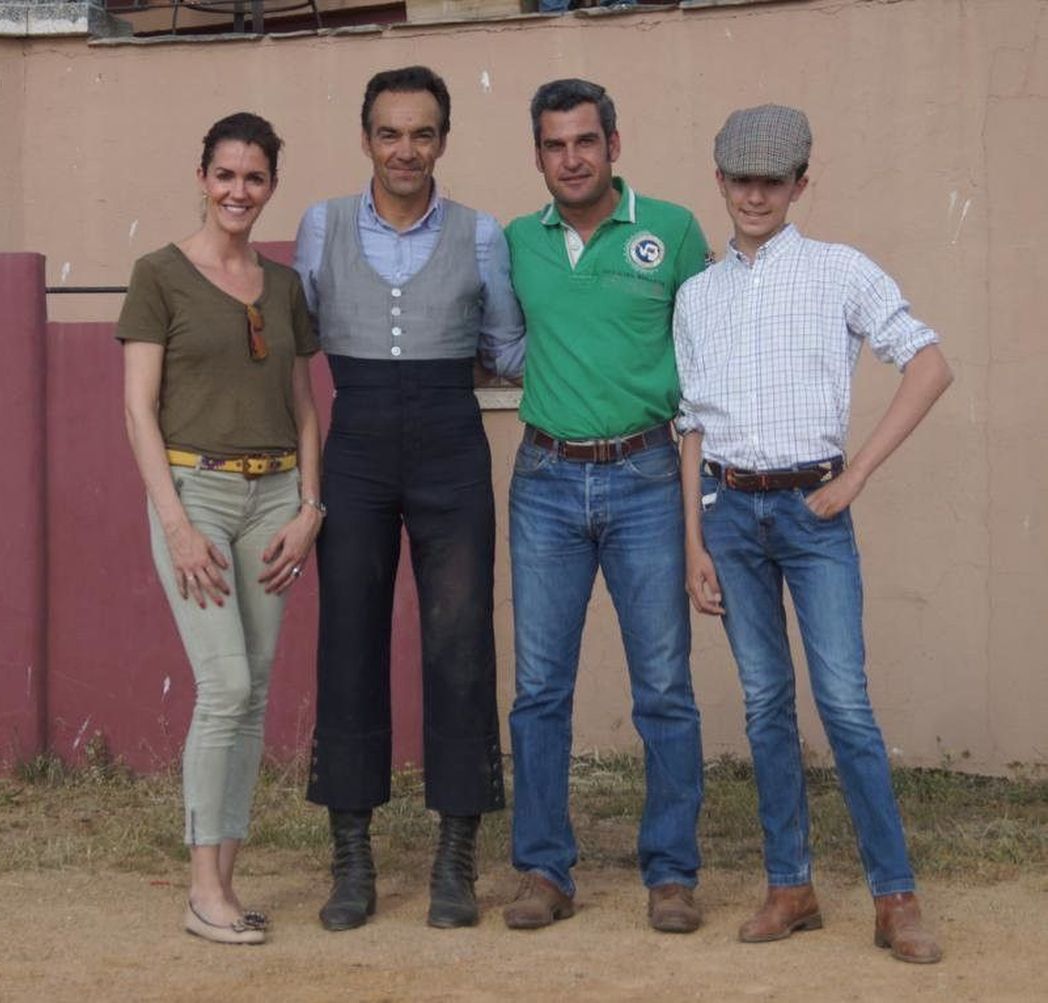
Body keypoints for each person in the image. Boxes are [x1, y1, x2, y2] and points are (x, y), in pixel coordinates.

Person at [676, 104, 951, 964]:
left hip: (812, 511)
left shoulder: (839, 271)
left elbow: (930, 363)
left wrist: (856, 474)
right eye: (740, 179)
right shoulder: (696, 294)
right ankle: (789, 883)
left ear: (800, 183)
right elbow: (690, 424)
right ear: (719, 182)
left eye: (773, 180)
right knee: (764, 704)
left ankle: (894, 895)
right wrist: (692, 542)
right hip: (727, 512)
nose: (754, 195)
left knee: (844, 704)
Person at [293, 65, 526, 931]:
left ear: (442, 141)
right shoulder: (319, 227)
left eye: (422, 133)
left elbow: (506, 346)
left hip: (451, 446)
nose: (405, 149)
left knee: (460, 641)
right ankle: (350, 857)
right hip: (354, 445)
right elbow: (298, 338)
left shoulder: (483, 234)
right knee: (348, 636)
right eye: (389, 132)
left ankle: (455, 857)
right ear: (366, 138)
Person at [494, 78, 707, 935]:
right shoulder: (516, 241)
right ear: (538, 154)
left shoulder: (675, 231)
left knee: (664, 686)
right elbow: (502, 344)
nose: (570, 158)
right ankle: (544, 868)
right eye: (553, 145)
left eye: (585, 141)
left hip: (647, 476)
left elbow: (710, 355)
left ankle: (671, 871)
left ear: (614, 144)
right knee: (540, 687)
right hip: (544, 478)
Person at [118, 111, 324, 946]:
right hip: (194, 494)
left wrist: (312, 508)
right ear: (202, 177)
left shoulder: (282, 286)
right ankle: (203, 886)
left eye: (256, 177)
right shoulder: (159, 273)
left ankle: (226, 883)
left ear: (272, 186)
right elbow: (136, 406)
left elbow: (306, 405)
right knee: (226, 687)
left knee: (255, 694)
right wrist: (174, 521)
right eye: (226, 174)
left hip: (275, 500)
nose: (240, 191)